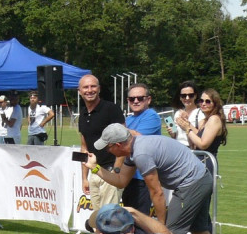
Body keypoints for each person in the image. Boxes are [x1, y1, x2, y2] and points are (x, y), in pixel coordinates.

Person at [90, 121, 224, 234]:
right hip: (201, 178)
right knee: (200, 231)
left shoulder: (141, 154)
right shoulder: (134, 150)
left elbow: (157, 193)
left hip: (191, 184)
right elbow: (121, 181)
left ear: (117, 145)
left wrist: (161, 227)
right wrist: (94, 168)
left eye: (108, 148)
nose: (107, 152)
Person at [76, 74, 126, 211]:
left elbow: (124, 142)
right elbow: (84, 147)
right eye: (85, 87)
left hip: (110, 171)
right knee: (99, 217)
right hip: (95, 171)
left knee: (109, 216)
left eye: (93, 86)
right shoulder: (83, 114)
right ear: (79, 91)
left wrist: (116, 171)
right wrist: (84, 178)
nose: (89, 90)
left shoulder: (111, 109)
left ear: (99, 89)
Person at [119, 83, 162, 215]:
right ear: (128, 101)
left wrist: (116, 129)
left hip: (143, 177)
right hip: (128, 176)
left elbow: (136, 139)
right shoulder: (128, 119)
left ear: (148, 99)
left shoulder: (151, 115)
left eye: (140, 98)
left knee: (139, 219)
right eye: (132, 99)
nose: (136, 101)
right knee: (129, 218)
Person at [186, 88, 227, 162]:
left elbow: (203, 144)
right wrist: (187, 124)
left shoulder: (214, 119)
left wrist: (187, 129)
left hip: (206, 162)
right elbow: (194, 143)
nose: (203, 104)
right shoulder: (205, 121)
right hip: (198, 161)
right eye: (201, 101)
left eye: (207, 101)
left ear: (215, 104)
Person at [169, 81, 204, 147]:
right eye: (183, 96)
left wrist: (187, 124)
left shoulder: (200, 113)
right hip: (178, 148)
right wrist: (172, 133)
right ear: (180, 97)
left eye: (191, 95)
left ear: (195, 96)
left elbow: (201, 136)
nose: (187, 98)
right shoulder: (177, 113)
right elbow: (175, 137)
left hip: (192, 150)